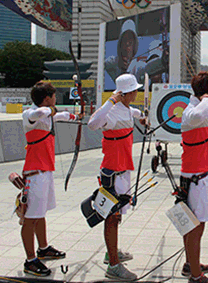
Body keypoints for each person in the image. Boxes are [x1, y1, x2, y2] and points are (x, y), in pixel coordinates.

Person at [21, 81, 83, 276]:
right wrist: (51, 110)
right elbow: (37, 114)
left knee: (40, 214)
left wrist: (76, 116)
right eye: (53, 97)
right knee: (30, 218)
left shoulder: (47, 116)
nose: (56, 100)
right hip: (34, 173)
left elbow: (61, 115)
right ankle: (30, 260)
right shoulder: (31, 115)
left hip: (45, 171)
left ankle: (43, 248)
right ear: (47, 99)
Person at [88, 73, 146, 281]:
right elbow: (93, 123)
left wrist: (142, 117)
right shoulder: (112, 112)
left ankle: (111, 252)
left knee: (118, 215)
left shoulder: (126, 110)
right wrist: (110, 100)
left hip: (123, 170)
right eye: (133, 90)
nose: (136, 92)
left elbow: (134, 113)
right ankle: (113, 265)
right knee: (111, 218)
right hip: (113, 173)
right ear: (124, 93)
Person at [180, 72, 208, 283]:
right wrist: (206, 99)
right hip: (196, 175)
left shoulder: (198, 109)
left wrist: (205, 101)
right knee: (196, 224)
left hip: (198, 173)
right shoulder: (191, 111)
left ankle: (190, 263)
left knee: (192, 222)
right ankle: (196, 275)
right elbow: (195, 117)